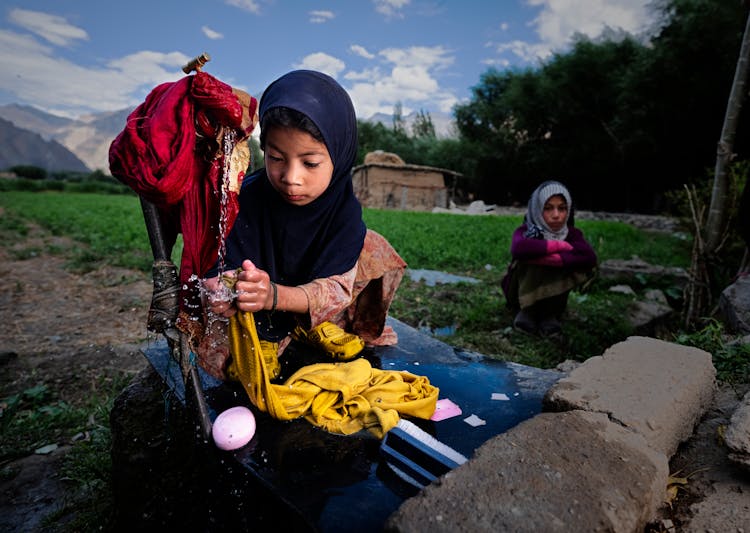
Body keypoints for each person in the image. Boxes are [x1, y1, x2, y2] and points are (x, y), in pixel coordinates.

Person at [199, 69, 406, 381]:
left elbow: (335, 290)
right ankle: (274, 336)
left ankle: (314, 327)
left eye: (310, 163)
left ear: (340, 154)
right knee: (232, 361)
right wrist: (225, 287)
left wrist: (275, 296)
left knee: (371, 245)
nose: (291, 178)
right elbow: (217, 266)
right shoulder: (244, 201)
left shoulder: (343, 210)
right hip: (254, 308)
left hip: (295, 296)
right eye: (276, 158)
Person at [501, 180, 597, 336]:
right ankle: (527, 311)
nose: (556, 215)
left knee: (567, 264)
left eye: (562, 208)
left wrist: (555, 260)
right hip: (520, 295)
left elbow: (589, 257)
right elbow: (519, 249)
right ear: (537, 210)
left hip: (554, 301)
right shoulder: (527, 231)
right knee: (529, 259)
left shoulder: (571, 234)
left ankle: (549, 314)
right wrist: (560, 247)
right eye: (548, 208)